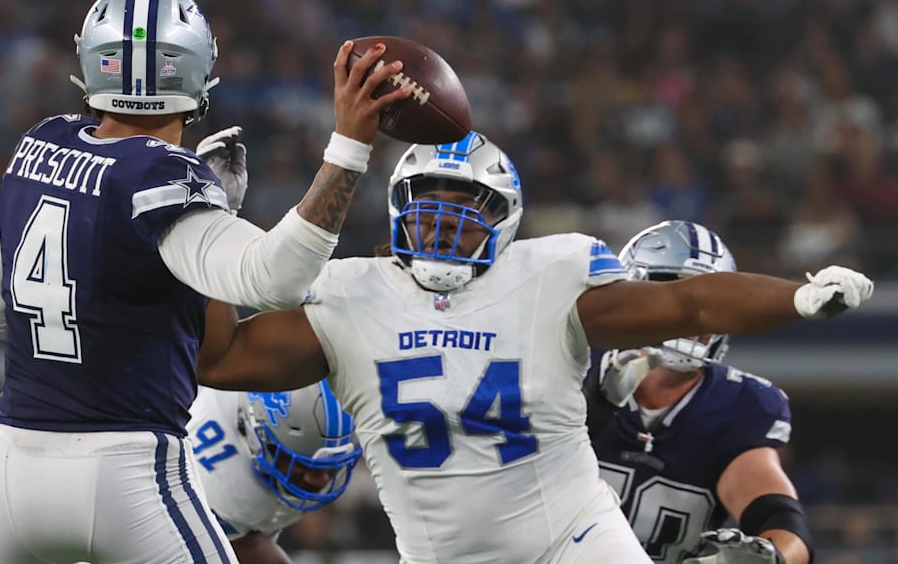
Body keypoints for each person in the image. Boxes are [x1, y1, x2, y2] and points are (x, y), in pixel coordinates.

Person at [195, 131, 874, 564]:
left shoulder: (549, 279)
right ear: (399, 211)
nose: (443, 224)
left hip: (572, 536)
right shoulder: (351, 295)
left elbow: (687, 303)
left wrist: (796, 296)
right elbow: (218, 359)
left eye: (464, 210)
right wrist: (212, 234)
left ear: (506, 220)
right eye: (427, 208)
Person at [0, 0, 411, 564]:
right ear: (197, 76)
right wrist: (349, 144)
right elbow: (277, 279)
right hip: (125, 471)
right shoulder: (167, 181)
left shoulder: (39, 147)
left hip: (8, 470)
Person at [584, 221, 813, 564]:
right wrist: (595, 408)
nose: (692, 312)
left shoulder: (739, 406)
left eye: (709, 299)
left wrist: (773, 558)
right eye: (672, 294)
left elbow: (778, 516)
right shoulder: (574, 367)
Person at [186, 380, 362, 563]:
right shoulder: (224, 484)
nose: (321, 480)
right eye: (305, 466)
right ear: (259, 437)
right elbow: (246, 546)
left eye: (333, 467)